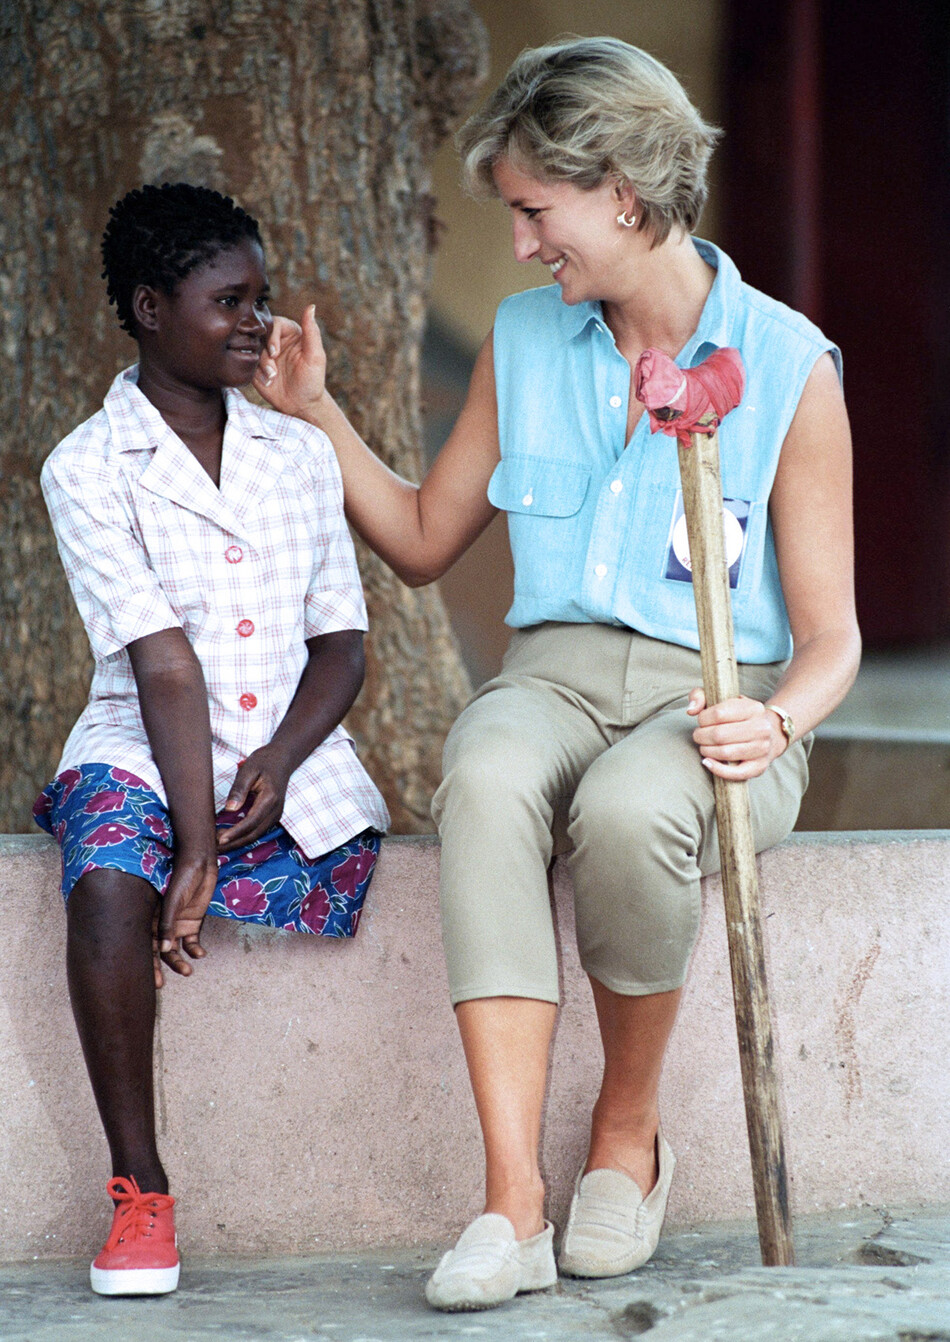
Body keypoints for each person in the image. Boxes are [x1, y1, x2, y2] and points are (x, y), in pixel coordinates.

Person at [256, 36, 860, 1313]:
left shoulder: (791, 366)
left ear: (622, 195)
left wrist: (775, 719)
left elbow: (832, 638)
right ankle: (510, 1202)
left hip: (722, 690)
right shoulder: (528, 342)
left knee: (636, 808)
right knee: (482, 768)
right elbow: (425, 541)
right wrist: (319, 415)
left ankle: (623, 1145)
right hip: (554, 671)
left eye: (535, 211)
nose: (522, 246)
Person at [34, 182, 389, 1297]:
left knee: (306, 844)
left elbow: (342, 645)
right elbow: (164, 665)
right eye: (226, 301)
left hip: (280, 744)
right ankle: (140, 1191)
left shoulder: (300, 456)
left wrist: (280, 762)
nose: (257, 323)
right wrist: (191, 848)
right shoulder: (86, 469)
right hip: (144, 739)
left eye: (261, 297)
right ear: (148, 307)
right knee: (105, 880)